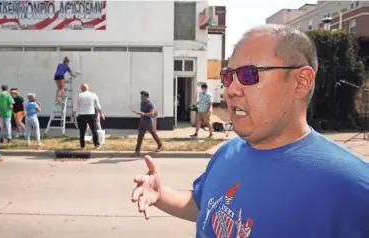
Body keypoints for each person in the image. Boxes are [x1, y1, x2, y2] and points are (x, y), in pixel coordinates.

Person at [131, 24, 369, 237]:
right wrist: (161, 194)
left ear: (301, 82)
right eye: (228, 76)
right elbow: (203, 205)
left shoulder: (350, 185)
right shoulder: (227, 153)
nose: (230, 90)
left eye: (248, 74)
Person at [71, 84, 101, 150]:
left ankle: (82, 146)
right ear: (88, 88)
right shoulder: (93, 94)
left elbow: (75, 106)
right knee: (94, 130)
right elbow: (98, 106)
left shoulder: (79, 95)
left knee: (82, 131)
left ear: (81, 89)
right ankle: (96, 145)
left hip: (82, 115)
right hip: (91, 114)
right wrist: (101, 113)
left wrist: (73, 114)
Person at [133, 91, 162, 156]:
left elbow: (152, 114)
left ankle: (160, 145)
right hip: (142, 122)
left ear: (146, 96)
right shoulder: (142, 103)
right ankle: (137, 151)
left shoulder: (151, 104)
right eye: (141, 96)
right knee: (140, 136)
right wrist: (140, 114)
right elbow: (142, 112)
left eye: (142, 96)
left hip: (149, 122)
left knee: (154, 134)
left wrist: (143, 113)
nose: (141, 98)